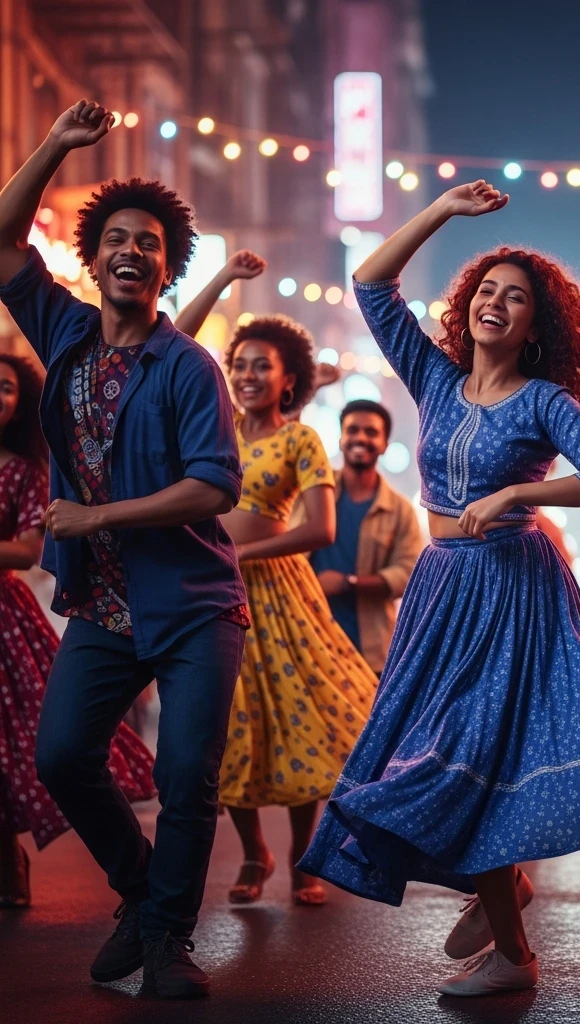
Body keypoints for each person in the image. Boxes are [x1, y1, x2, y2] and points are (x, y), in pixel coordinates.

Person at [298, 181, 580, 997]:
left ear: (536, 325)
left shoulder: (546, 400)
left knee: (464, 758)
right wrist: (444, 215)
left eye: (515, 297)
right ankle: (505, 906)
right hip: (439, 590)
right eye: (486, 290)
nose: (496, 302)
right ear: (468, 308)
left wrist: (522, 494)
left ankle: (514, 955)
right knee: (425, 757)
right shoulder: (431, 376)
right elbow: (371, 285)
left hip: (513, 591)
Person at [0, 100, 248, 999]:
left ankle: (170, 940)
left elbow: (216, 487)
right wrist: (58, 146)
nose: (130, 250)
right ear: (93, 255)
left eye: (148, 242)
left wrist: (97, 516)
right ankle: (142, 893)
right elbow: (0, 238)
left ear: (167, 267)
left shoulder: (188, 368)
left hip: (192, 605)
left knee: (187, 774)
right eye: (115, 238)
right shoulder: (64, 333)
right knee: (62, 756)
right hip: (102, 608)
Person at [172, 293, 380, 906]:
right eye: (239, 363)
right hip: (212, 593)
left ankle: (300, 852)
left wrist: (243, 554)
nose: (247, 374)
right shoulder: (212, 430)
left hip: (283, 599)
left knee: (298, 723)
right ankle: (254, 851)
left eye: (262, 364)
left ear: (290, 377)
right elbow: (170, 350)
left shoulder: (302, 441)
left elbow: (321, 531)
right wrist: (225, 278)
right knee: (227, 725)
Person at [0, 353, 155, 908]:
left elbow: (26, 548)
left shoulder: (23, 470)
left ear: (22, 404)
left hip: (8, 617)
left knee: (21, 745)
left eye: (7, 388)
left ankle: (10, 858)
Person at [309, 399, 423, 675]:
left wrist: (348, 583)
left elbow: (408, 575)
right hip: (306, 640)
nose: (360, 437)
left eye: (371, 432)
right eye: (352, 430)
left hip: (368, 651)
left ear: (384, 444)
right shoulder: (313, 492)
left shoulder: (400, 511)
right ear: (341, 439)